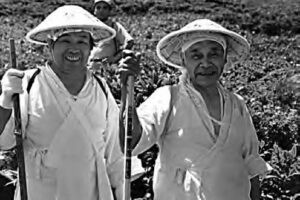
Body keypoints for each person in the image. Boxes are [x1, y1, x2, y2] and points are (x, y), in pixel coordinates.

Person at [119, 19, 271, 200]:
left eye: (214, 54)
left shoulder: (237, 104)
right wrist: (125, 90)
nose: (205, 64)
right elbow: (132, 142)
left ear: (224, 59)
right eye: (196, 55)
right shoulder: (167, 98)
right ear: (184, 60)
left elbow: (251, 164)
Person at [0, 5, 139, 200]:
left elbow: (114, 151)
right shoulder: (28, 83)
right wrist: (5, 101)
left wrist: (123, 192)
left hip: (91, 191)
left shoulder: (101, 88)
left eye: (82, 41)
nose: (74, 47)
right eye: (65, 40)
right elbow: (4, 142)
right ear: (50, 46)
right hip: (41, 192)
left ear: (91, 48)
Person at [89, 0, 134, 72]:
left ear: (109, 11)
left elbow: (129, 42)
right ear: (94, 11)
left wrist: (115, 58)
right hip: (91, 65)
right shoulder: (90, 27)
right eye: (98, 8)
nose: (101, 10)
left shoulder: (114, 26)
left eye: (105, 8)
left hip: (108, 66)